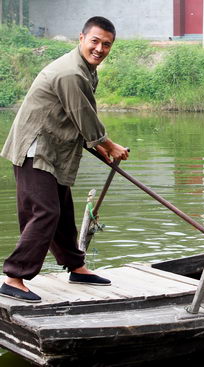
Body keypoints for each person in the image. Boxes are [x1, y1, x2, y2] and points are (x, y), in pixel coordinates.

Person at [0, 16, 129, 303]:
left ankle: (76, 266)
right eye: (94, 41)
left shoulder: (85, 70)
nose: (99, 48)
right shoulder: (71, 72)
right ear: (81, 38)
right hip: (36, 148)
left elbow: (73, 118)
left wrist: (101, 147)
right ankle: (14, 276)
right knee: (45, 212)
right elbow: (84, 115)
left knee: (62, 212)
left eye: (106, 44)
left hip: (54, 147)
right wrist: (109, 145)